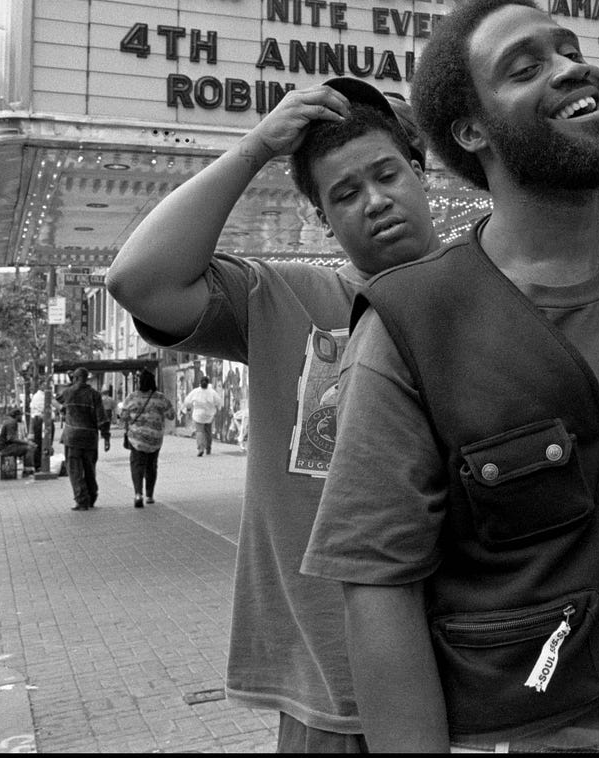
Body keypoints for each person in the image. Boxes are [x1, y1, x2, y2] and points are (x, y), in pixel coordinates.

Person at [301, 0, 599, 754]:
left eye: (570, 51)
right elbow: (379, 592)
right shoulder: (409, 328)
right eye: (526, 67)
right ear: (470, 130)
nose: (570, 70)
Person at [108, 76, 439, 752]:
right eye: (344, 194)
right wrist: (254, 148)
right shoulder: (282, 299)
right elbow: (139, 280)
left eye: (387, 174)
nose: (375, 202)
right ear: (320, 217)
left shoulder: (490, 298)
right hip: (326, 695)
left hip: (476, 682)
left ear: (420, 172)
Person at [55, 366, 110, 510]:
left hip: (72, 437)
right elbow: (101, 418)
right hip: (90, 438)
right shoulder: (94, 395)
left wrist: (71, 384)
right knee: (90, 468)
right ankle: (92, 496)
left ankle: (81, 499)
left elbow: (57, 401)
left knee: (74, 470)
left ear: (76, 378)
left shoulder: (68, 392)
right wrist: (106, 436)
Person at [117, 371, 173, 508]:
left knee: (137, 465)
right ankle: (149, 495)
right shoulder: (161, 398)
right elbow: (171, 415)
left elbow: (123, 417)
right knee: (151, 466)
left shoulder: (132, 397)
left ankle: (138, 495)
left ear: (139, 382)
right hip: (155, 439)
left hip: (137, 439)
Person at [184, 376, 224, 456]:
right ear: (208, 383)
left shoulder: (195, 391)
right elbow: (219, 402)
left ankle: (200, 448)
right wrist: (218, 408)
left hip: (198, 415)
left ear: (200, 382)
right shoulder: (212, 392)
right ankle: (208, 448)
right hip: (209, 415)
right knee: (208, 432)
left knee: (199, 431)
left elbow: (187, 401)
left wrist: (188, 408)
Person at [0, 408, 35, 476]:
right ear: (17, 416)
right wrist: (27, 442)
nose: (21, 417)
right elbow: (11, 438)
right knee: (29, 448)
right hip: (4, 448)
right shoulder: (12, 422)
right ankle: (28, 471)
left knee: (26, 447)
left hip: (3, 446)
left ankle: (28, 469)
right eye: (20, 415)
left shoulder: (9, 421)